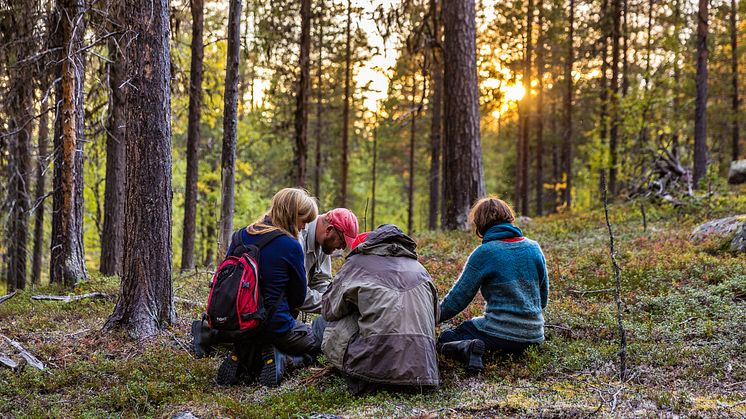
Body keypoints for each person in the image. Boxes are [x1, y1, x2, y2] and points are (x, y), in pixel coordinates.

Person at [217, 187, 322, 387]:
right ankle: (285, 359)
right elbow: (298, 298)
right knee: (319, 344)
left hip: (237, 324)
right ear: (291, 215)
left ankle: (243, 358)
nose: (303, 227)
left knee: (256, 336)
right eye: (303, 221)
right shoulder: (291, 246)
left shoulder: (239, 236)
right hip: (275, 327)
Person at [319, 225, 440, 395]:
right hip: (424, 375)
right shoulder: (421, 271)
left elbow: (329, 309)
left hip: (370, 375)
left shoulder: (357, 263)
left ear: (371, 242)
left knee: (321, 324)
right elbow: (436, 317)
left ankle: (300, 357)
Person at [437, 197, 549, 373]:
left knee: (447, 338)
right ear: (509, 217)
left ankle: (469, 348)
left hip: (499, 336)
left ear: (480, 224)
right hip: (534, 336)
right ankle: (478, 348)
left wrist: (432, 316)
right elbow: (543, 300)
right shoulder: (534, 248)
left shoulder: (485, 253)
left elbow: (458, 299)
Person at [297, 208, 359, 313]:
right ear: (329, 229)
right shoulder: (298, 237)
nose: (342, 248)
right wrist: (335, 304)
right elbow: (296, 294)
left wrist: (338, 298)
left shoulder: (324, 242)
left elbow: (321, 281)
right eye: (342, 242)